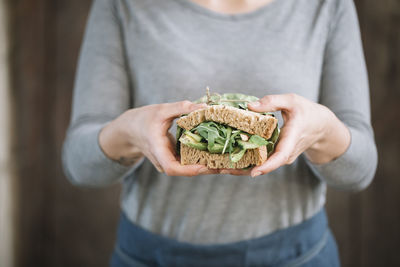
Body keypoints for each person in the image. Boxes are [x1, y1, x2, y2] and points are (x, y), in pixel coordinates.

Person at [62, 0, 377, 266]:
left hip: (296, 256)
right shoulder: (122, 5)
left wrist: (322, 132)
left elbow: (360, 170)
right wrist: (129, 133)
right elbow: (79, 164)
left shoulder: (327, 5)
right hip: (150, 256)